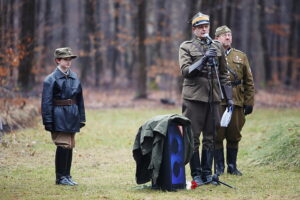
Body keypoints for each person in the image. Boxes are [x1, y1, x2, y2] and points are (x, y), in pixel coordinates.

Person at [178, 12, 233, 185]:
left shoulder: (216, 45)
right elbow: (186, 71)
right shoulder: (186, 46)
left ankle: (207, 174)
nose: (204, 29)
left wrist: (229, 98)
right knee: (193, 137)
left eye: (206, 26)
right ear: (194, 29)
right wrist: (204, 59)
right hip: (194, 99)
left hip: (213, 98)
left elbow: (223, 74)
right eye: (200, 27)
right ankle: (196, 174)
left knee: (210, 137)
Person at [41, 47, 86, 186]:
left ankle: (67, 176)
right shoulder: (50, 79)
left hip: (72, 114)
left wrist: (81, 117)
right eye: (65, 59)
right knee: (63, 144)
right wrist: (47, 120)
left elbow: (79, 99)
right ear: (57, 60)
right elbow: (46, 102)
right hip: (59, 115)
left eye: (70, 59)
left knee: (70, 145)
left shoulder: (74, 77)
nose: (68, 62)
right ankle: (60, 177)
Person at [214, 25, 255, 176]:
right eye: (224, 35)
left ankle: (232, 166)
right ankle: (218, 168)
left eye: (229, 34)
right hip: (218, 100)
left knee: (234, 134)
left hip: (237, 100)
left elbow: (249, 81)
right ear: (217, 38)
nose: (227, 37)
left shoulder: (240, 56)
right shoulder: (212, 54)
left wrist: (249, 102)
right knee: (217, 135)